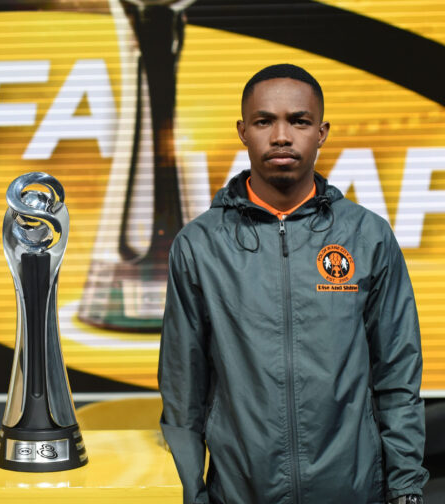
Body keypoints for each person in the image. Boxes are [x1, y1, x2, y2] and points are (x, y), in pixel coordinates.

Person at [159, 64, 428, 504]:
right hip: (240, 493)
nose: (281, 136)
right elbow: (182, 390)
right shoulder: (201, 245)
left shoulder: (367, 236)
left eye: (299, 121)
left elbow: (397, 376)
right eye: (264, 121)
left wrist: (405, 489)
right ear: (243, 131)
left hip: (353, 492)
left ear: (321, 133)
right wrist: (193, 492)